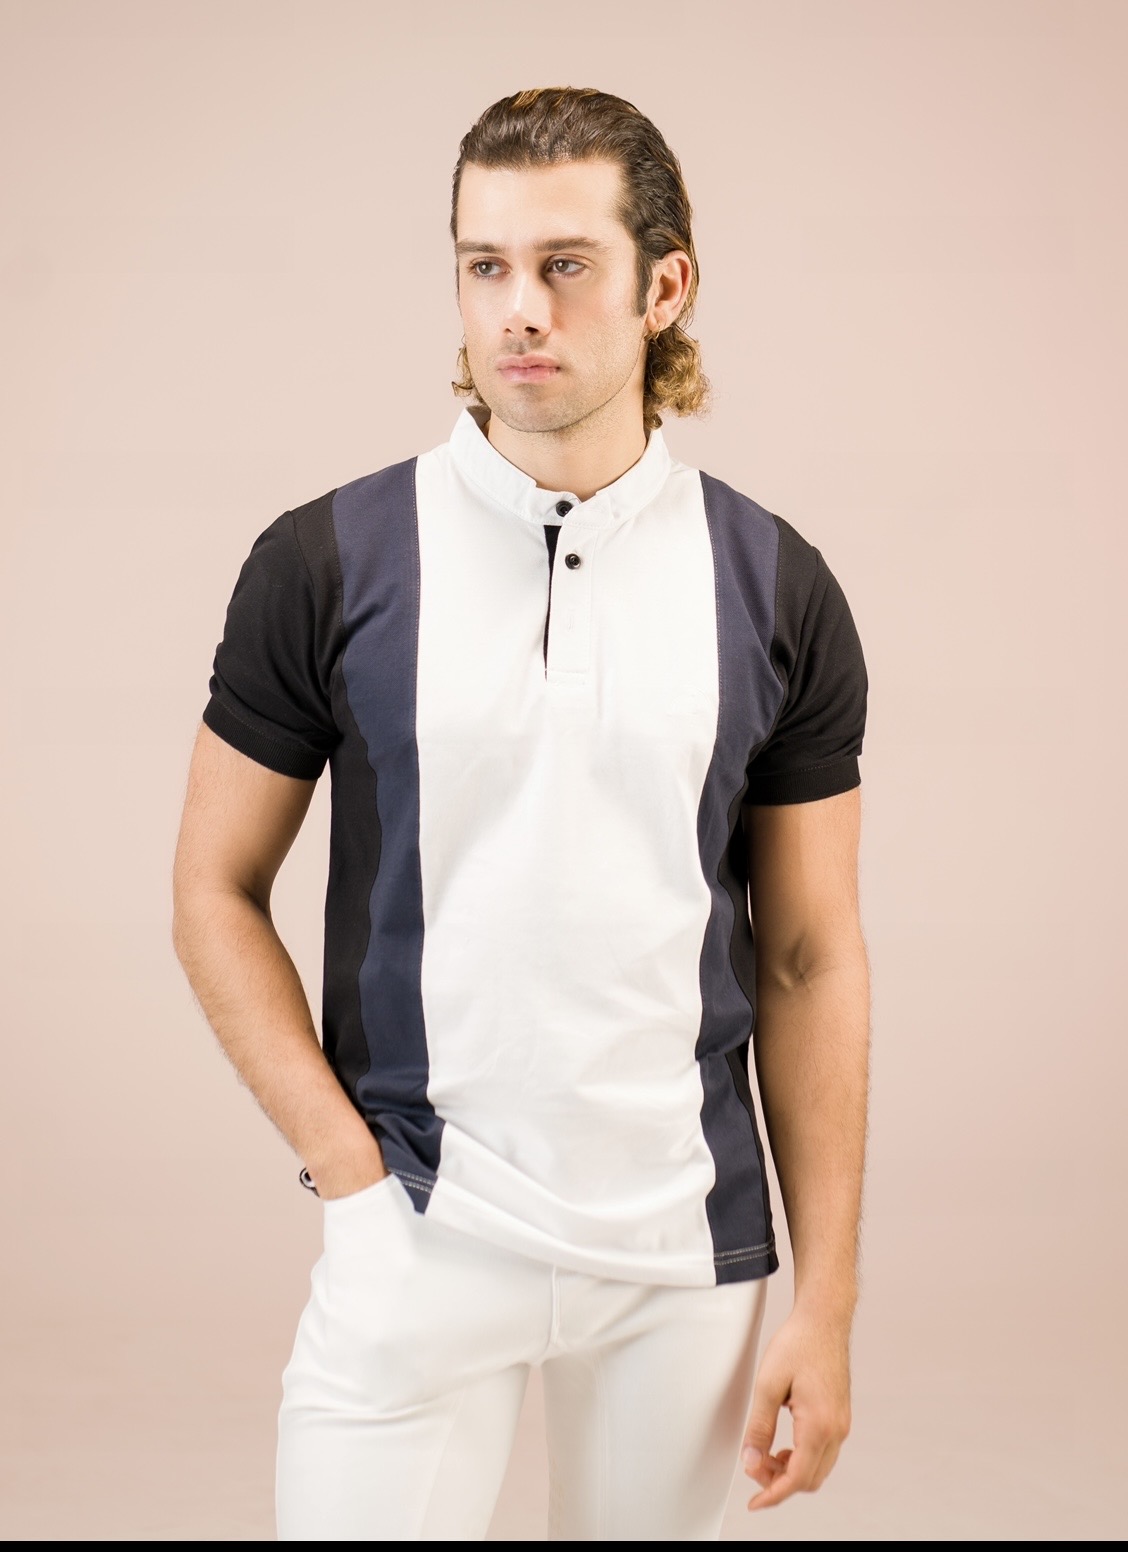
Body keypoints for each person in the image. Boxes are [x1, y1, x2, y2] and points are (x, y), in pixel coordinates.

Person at [172, 85, 871, 1542]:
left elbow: (810, 956)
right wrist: (348, 1173)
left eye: (565, 264)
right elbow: (211, 890)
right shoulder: (327, 561)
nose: (519, 310)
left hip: (683, 1261)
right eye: (485, 265)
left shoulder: (774, 585)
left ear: (664, 288)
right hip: (420, 1228)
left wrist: (828, 1301)